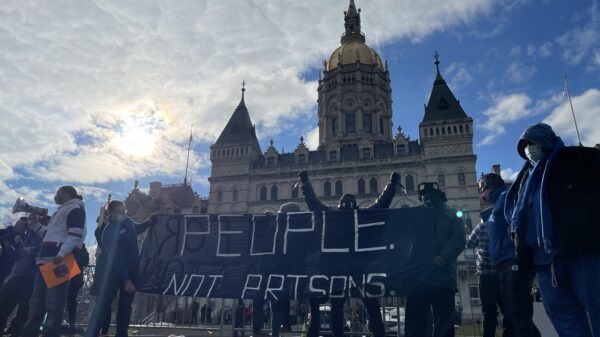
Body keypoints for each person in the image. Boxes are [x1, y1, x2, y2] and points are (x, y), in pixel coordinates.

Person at [505, 123, 600, 337]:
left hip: (581, 251)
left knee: (596, 306)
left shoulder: (579, 158)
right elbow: (520, 217)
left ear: (546, 139)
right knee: (564, 317)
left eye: (532, 142)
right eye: (525, 145)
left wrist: (587, 221)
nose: (529, 148)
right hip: (543, 261)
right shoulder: (525, 179)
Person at [298, 170, 402, 337]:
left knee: (347, 306)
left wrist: (305, 183)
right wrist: (393, 184)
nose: (347, 200)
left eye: (349, 200)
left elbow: (314, 204)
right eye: (345, 200)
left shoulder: (349, 215)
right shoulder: (350, 215)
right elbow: (382, 203)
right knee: (363, 306)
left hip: (346, 270)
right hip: (352, 269)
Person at [20, 186, 87, 337]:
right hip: (45, 260)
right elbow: (48, 235)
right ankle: (30, 332)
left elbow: (76, 234)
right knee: (37, 302)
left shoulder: (75, 208)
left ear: (66, 193)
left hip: (60, 260)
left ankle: (49, 333)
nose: (56, 195)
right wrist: (35, 225)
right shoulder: (62, 211)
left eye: (58, 192)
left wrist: (62, 253)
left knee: (54, 303)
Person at [85, 200, 156, 337]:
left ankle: (122, 334)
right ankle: (92, 333)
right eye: (119, 212)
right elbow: (116, 258)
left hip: (132, 269)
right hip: (114, 272)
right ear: (111, 213)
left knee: (126, 306)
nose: (123, 214)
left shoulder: (128, 222)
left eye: (124, 211)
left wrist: (148, 222)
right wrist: (126, 280)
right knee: (103, 303)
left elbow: (137, 229)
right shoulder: (109, 232)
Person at [404, 182, 465, 337]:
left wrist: (443, 257)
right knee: (416, 322)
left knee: (444, 322)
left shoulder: (452, 214)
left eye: (431, 196)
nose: (427, 199)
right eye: (424, 197)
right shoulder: (416, 215)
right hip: (419, 277)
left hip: (442, 276)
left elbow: (458, 239)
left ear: (439, 197)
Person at [468, 173, 514, 337]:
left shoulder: (480, 228)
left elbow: (469, 243)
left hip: (485, 275)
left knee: (488, 311)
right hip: (501, 271)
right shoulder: (502, 221)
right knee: (507, 309)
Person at [0, 215, 45, 337]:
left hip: (31, 277)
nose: (28, 225)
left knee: (24, 311)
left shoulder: (41, 235)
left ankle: (17, 333)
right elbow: (14, 251)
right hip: (16, 275)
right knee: (3, 305)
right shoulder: (20, 236)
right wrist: (16, 234)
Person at [270, 202, 301, 337]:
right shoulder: (299, 226)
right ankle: (284, 325)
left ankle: (281, 327)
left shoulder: (289, 227)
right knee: (282, 300)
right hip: (289, 269)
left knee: (278, 301)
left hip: (283, 269)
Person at [66, 243, 90, 333]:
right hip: (61, 276)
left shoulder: (80, 246)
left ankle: (71, 324)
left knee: (71, 301)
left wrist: (73, 259)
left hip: (74, 278)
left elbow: (85, 261)